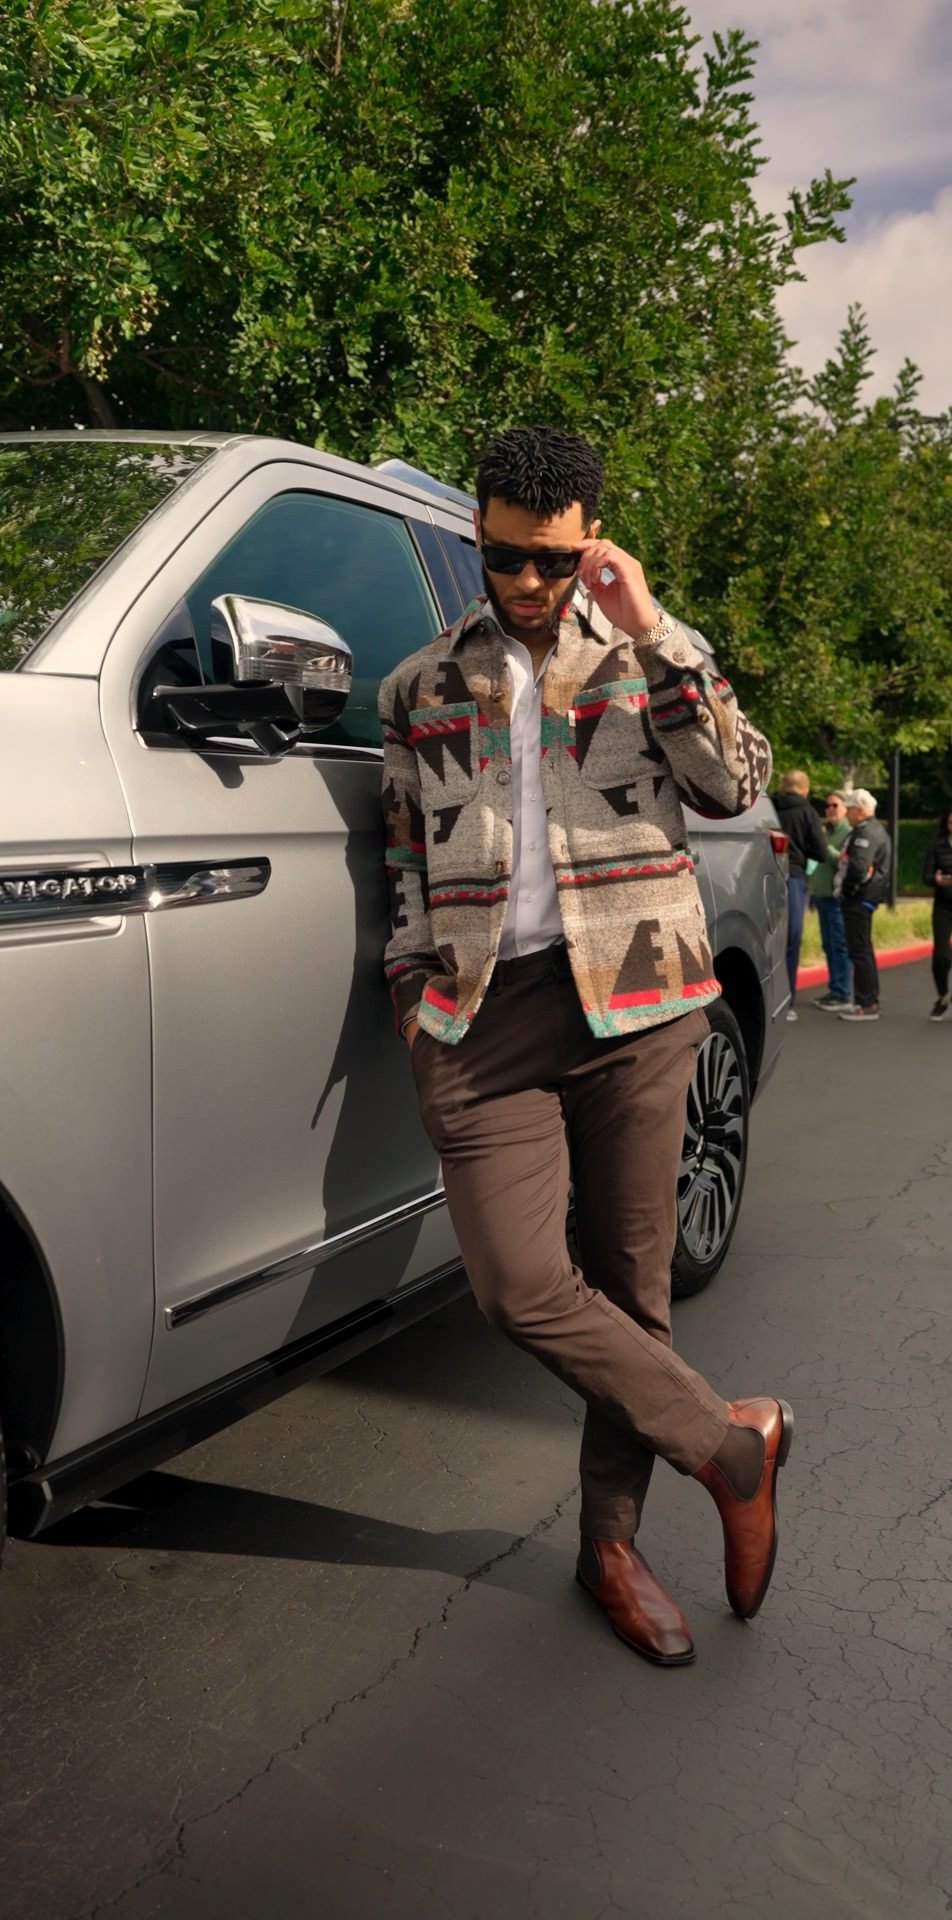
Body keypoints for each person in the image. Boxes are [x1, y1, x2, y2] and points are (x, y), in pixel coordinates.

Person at [380, 425, 792, 1668]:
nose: (528, 582)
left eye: (553, 561)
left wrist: (653, 626)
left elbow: (735, 785)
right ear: (477, 534)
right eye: (507, 555)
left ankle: (611, 1549)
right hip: (479, 1015)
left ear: (590, 544)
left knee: (630, 1290)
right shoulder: (419, 686)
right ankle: (732, 1448)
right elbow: (404, 856)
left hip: (639, 1005)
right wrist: (413, 991)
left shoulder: (646, 653)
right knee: (518, 1287)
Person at [770, 770, 828, 1020]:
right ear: (805, 789)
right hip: (793, 875)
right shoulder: (807, 811)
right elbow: (820, 852)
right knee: (791, 939)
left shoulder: (768, 806)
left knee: (767, 939)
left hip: (765, 874)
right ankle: (787, 1000)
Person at [836, 789, 890, 1023]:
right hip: (865, 897)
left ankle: (867, 1003)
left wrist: (847, 892)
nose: (846, 812)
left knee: (859, 950)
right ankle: (866, 1000)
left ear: (860, 810)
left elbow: (859, 868)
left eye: (849, 808)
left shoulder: (866, 832)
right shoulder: (872, 829)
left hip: (860, 898)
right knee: (862, 949)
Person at [810, 791, 854, 1011]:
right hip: (821, 895)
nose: (829, 809)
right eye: (827, 806)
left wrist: (827, 849)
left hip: (836, 898)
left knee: (839, 945)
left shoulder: (849, 833)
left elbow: (846, 862)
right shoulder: (825, 831)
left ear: (845, 808)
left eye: (834, 805)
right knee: (828, 945)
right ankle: (835, 988)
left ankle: (842, 992)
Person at [922, 806, 952, 1020]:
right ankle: (943, 996)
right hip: (943, 905)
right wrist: (936, 880)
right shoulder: (936, 846)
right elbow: (926, 876)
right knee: (941, 955)